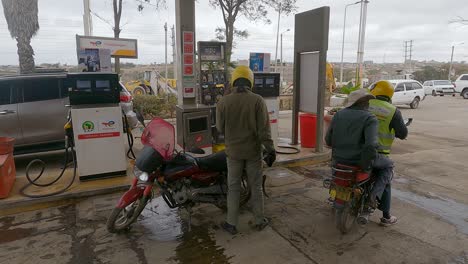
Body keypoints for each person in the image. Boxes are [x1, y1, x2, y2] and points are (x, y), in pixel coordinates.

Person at [216, 65, 276, 235]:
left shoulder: (223, 101)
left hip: (233, 153)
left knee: (233, 188)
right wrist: (270, 150)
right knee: (255, 187)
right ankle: (259, 220)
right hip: (253, 153)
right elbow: (264, 130)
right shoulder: (257, 100)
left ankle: (231, 223)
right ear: (250, 81)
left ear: (234, 80)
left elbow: (220, 128)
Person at [368, 80, 408, 226]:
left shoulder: (363, 105)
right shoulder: (393, 111)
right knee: (385, 178)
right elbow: (403, 133)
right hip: (379, 154)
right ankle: (386, 217)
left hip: (356, 150)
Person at [325, 88, 379, 172]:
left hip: (337, 161)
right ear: (364, 103)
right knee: (388, 165)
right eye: (367, 101)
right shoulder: (370, 118)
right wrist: (365, 165)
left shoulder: (338, 115)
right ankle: (379, 186)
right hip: (357, 163)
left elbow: (328, 140)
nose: (368, 103)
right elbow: (371, 145)